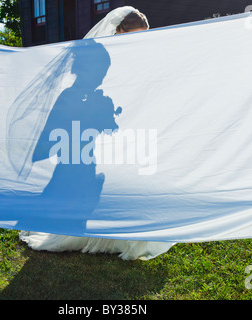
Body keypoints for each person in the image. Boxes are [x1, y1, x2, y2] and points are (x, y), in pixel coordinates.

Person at [19, 6, 175, 260]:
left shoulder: (135, 57)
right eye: (134, 35)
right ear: (118, 30)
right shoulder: (98, 56)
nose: (138, 41)